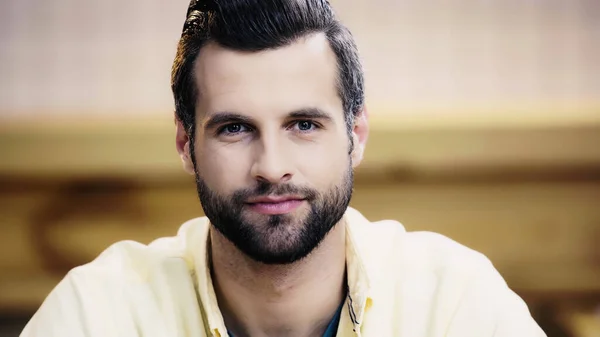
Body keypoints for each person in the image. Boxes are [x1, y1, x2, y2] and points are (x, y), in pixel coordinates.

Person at [21, 0, 547, 336]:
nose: (271, 168)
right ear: (185, 144)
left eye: (303, 125)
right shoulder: (99, 315)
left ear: (356, 136)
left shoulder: (452, 304)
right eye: (234, 128)